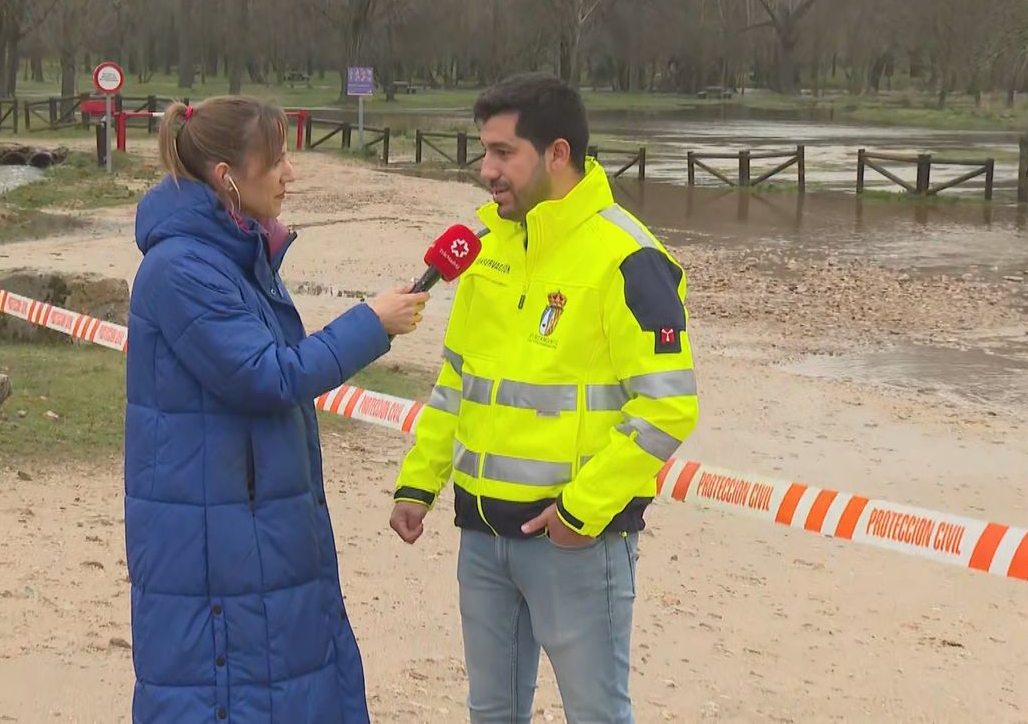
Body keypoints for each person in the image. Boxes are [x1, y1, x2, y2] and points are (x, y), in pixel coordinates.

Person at [389, 73, 700, 724]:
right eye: (485, 151)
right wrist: (418, 483)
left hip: (576, 542)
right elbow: (458, 380)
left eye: (504, 153)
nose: (487, 170)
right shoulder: (485, 244)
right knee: (492, 712)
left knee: (597, 713)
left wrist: (580, 512)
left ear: (558, 153)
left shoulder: (629, 257)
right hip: (480, 533)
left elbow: (668, 407)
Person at [125, 96, 427, 723]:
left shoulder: (236, 254)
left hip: (253, 524)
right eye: (278, 159)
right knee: (231, 694)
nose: (291, 173)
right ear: (226, 176)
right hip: (218, 539)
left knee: (295, 682)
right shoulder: (182, 268)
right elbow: (266, 375)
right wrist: (371, 324)